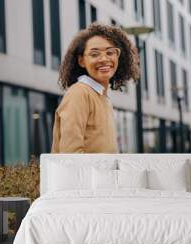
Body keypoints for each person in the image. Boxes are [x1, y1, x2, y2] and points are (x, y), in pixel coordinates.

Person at [51, 23, 139, 153]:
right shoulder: (79, 94)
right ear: (81, 61)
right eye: (94, 54)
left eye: (110, 52)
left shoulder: (103, 97)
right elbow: (70, 154)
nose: (104, 59)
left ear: (118, 57)